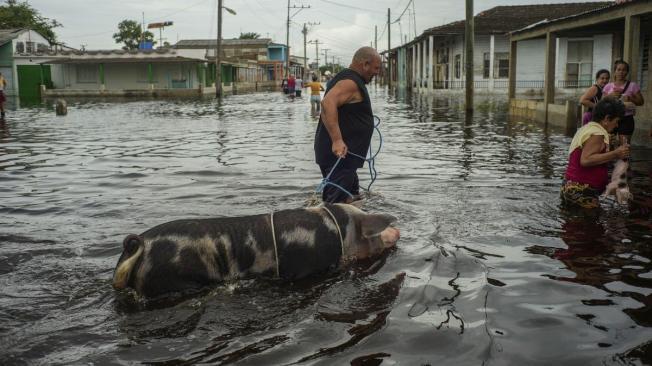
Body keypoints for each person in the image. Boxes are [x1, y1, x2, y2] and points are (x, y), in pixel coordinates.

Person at [314, 46, 381, 203]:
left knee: (353, 200)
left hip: (345, 159)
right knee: (335, 208)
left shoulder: (346, 78)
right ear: (365, 64)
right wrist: (337, 140)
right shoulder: (350, 82)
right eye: (376, 68)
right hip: (339, 157)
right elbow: (327, 103)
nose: (377, 72)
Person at [560, 97, 630, 209]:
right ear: (607, 118)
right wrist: (615, 154)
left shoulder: (587, 129)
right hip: (582, 190)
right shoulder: (597, 134)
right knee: (590, 224)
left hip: (571, 187)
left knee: (574, 224)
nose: (617, 125)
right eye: (616, 121)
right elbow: (586, 160)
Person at [603, 60, 644, 145]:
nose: (621, 72)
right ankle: (611, 158)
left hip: (626, 119)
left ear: (627, 72)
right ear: (615, 71)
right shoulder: (608, 86)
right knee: (608, 145)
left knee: (625, 146)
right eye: (619, 69)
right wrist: (610, 96)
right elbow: (601, 102)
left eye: (624, 70)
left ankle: (625, 159)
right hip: (611, 119)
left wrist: (630, 98)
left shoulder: (632, 85)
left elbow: (641, 102)